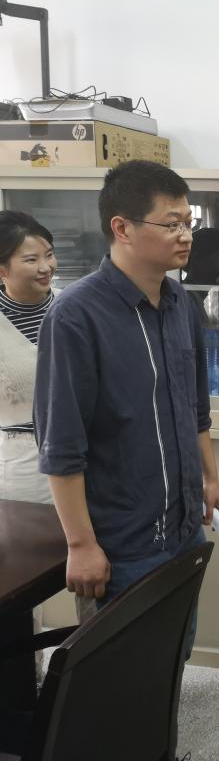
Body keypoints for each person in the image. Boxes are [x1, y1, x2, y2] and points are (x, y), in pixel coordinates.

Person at [34, 160, 219, 653]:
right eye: (171, 223)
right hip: (121, 543)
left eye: (189, 222)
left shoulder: (181, 303)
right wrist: (81, 545)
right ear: (121, 228)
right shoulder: (76, 316)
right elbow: (61, 446)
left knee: (171, 659)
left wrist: (210, 478)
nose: (186, 235)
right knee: (118, 674)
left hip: (183, 528)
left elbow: (196, 408)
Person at [0, 210, 59, 680]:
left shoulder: (70, 308)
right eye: (30, 258)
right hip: (19, 460)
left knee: (93, 566)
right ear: (2, 268)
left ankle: (96, 679)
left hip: (83, 455)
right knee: (23, 580)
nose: (45, 267)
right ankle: (26, 683)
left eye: (49, 255)